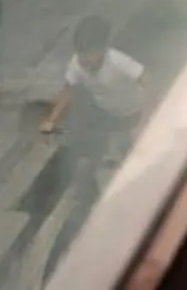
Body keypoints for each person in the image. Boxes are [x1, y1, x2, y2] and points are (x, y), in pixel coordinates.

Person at [31, 16, 145, 280]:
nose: (84, 61)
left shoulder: (119, 62)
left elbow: (145, 78)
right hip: (105, 113)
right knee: (88, 145)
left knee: (128, 153)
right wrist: (51, 120)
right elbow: (68, 91)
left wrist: (148, 115)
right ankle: (87, 186)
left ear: (102, 49)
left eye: (89, 55)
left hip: (130, 114)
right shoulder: (77, 64)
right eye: (81, 55)